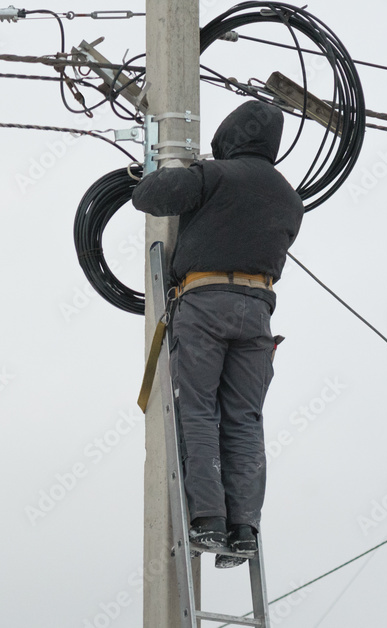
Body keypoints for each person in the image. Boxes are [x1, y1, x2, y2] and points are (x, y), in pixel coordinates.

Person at [131, 100, 303, 567]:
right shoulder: (290, 197)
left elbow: (149, 197)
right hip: (258, 314)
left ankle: (207, 520)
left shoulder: (216, 174)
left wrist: (176, 171)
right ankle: (244, 530)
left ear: (231, 136)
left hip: (205, 303)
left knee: (199, 411)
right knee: (244, 420)